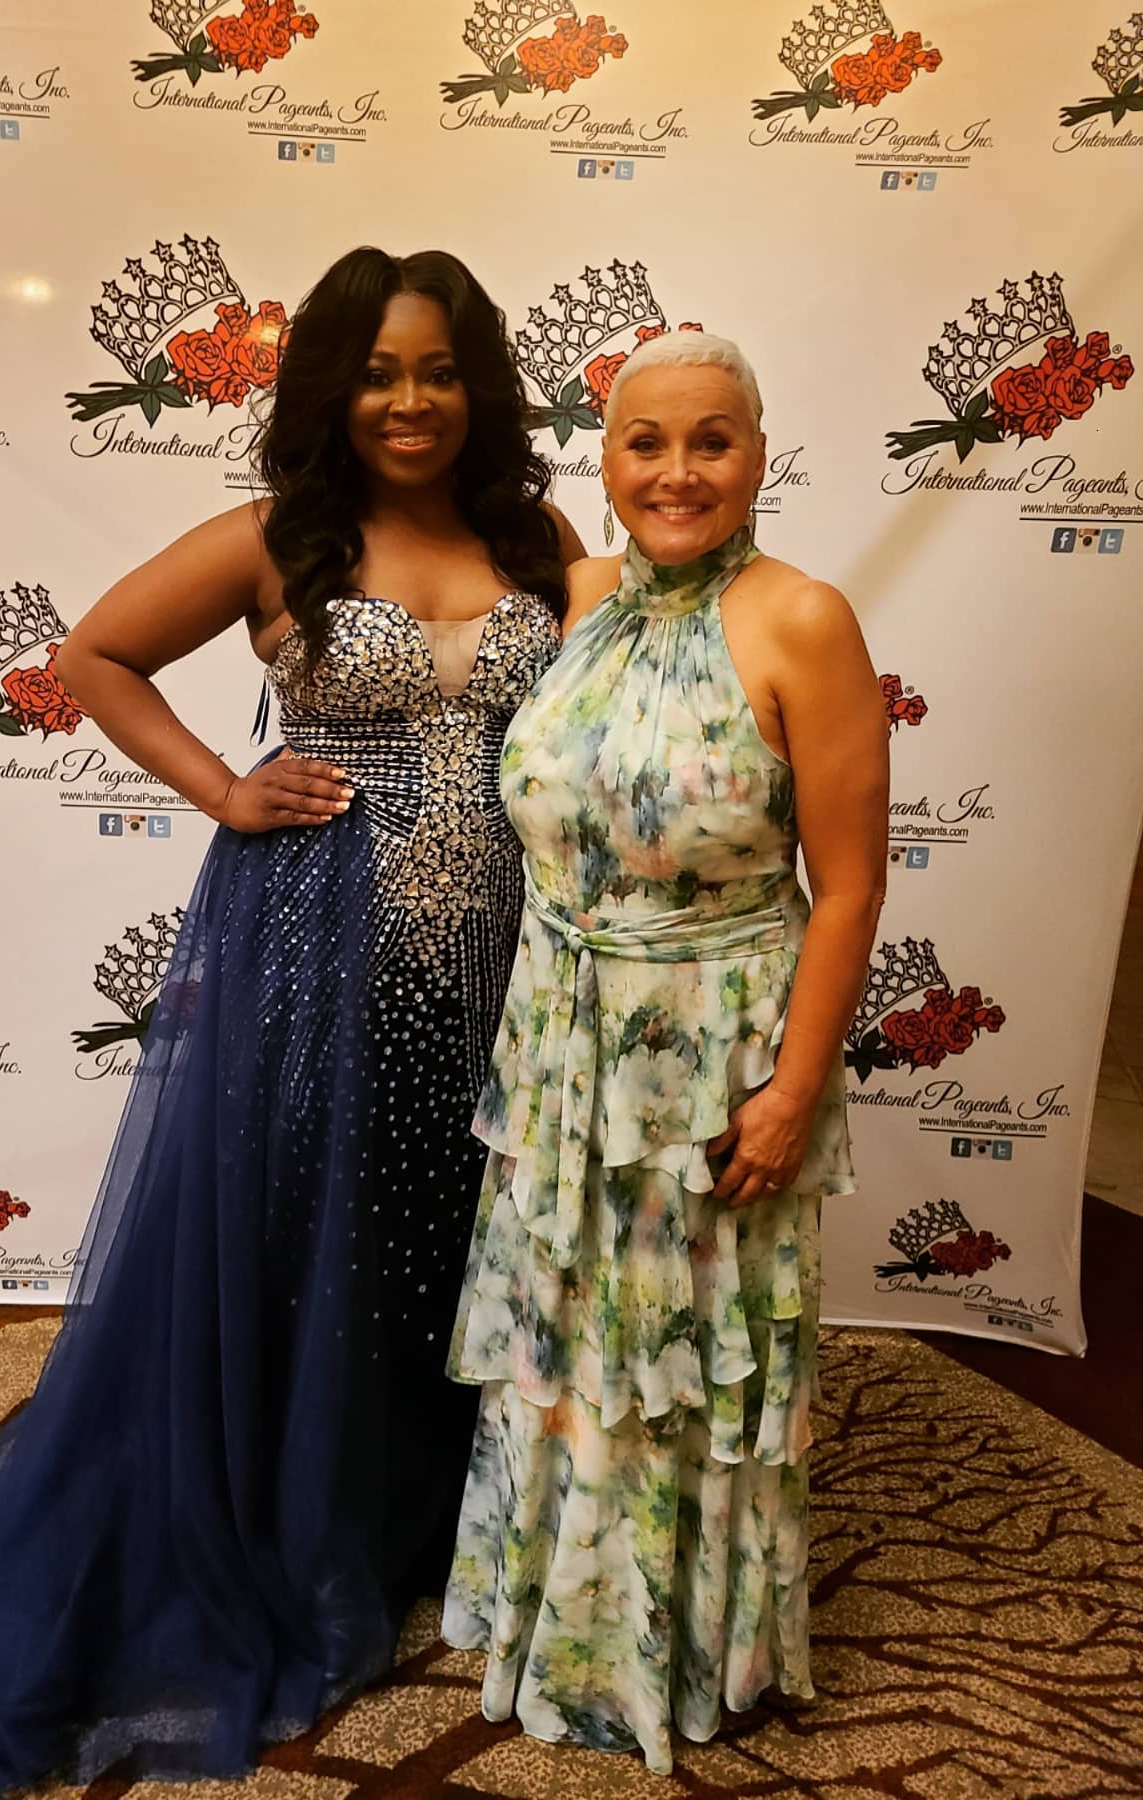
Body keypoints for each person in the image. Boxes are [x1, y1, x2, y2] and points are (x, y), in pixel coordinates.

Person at [0, 247, 583, 1799]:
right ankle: (295, 1534)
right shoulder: (279, 537)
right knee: (313, 1230)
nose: (410, 400)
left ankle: (426, 1524)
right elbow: (92, 656)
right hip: (318, 940)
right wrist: (224, 790)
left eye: (440, 370)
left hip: (508, 951)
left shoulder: (539, 537)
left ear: (481, 385)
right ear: (332, 387)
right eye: (379, 372)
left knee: (454, 1226)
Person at [442, 331, 888, 1772]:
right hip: (559, 1048)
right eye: (647, 442)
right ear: (607, 461)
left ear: (758, 455)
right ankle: (557, 1630)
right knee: (571, 1340)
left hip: (712, 1065)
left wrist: (792, 1094)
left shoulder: (804, 619)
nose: (678, 471)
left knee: (686, 1360)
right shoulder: (577, 598)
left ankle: (687, 1651)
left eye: (712, 440)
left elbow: (851, 888)